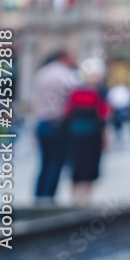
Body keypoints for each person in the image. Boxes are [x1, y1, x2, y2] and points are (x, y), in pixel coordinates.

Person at [31, 49, 79, 204]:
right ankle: (48, 200)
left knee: (44, 163)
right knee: (55, 163)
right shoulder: (67, 75)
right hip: (57, 124)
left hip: (41, 123)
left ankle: (39, 197)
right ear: (64, 57)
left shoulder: (41, 73)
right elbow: (76, 95)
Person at [64, 58, 109, 206]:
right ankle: (84, 199)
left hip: (77, 135)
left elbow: (67, 114)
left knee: (78, 166)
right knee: (88, 167)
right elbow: (103, 115)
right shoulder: (98, 94)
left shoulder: (75, 93)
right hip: (90, 135)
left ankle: (76, 199)